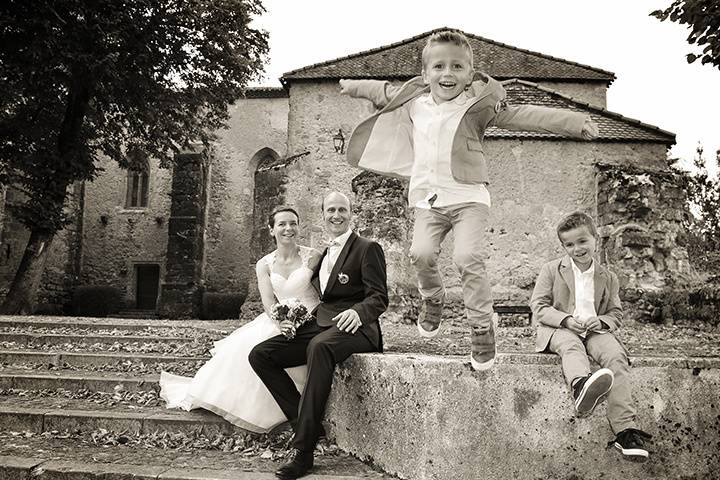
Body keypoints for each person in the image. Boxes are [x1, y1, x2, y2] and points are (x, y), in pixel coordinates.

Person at [339, 29, 599, 371]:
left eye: (457, 67)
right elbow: (383, 91)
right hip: (430, 200)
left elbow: (522, 115)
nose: (447, 74)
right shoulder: (415, 101)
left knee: (467, 257)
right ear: (426, 72)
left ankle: (481, 328)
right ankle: (433, 300)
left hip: (469, 197)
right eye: (439, 67)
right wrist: (351, 85)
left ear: (469, 72)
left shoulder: (477, 105)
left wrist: (575, 122)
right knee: (420, 254)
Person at [249, 192, 388, 480]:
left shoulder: (367, 247)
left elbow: (379, 297)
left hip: (357, 328)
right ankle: (304, 422)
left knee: (319, 347)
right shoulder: (323, 254)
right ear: (323, 214)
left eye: (342, 210)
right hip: (323, 322)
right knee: (261, 355)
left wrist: (360, 313)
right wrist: (288, 320)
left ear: (350, 214)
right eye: (330, 210)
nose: (336, 215)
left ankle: (304, 452)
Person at [158, 206, 320, 433]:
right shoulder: (264, 264)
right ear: (271, 230)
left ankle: (301, 419)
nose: (288, 228)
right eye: (282, 224)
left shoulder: (313, 257)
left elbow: (324, 293)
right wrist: (280, 322)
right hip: (281, 320)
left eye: (293, 223)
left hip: (313, 321)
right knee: (249, 354)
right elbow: (268, 301)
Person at [529, 211, 652, 461]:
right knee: (571, 345)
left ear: (596, 239)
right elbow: (539, 306)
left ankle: (625, 431)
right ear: (563, 246)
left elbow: (616, 313)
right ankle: (580, 386)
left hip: (594, 331)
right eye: (569, 244)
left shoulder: (608, 277)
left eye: (582, 241)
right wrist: (565, 320)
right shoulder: (551, 270)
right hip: (559, 329)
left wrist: (602, 321)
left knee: (616, 356)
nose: (577, 248)